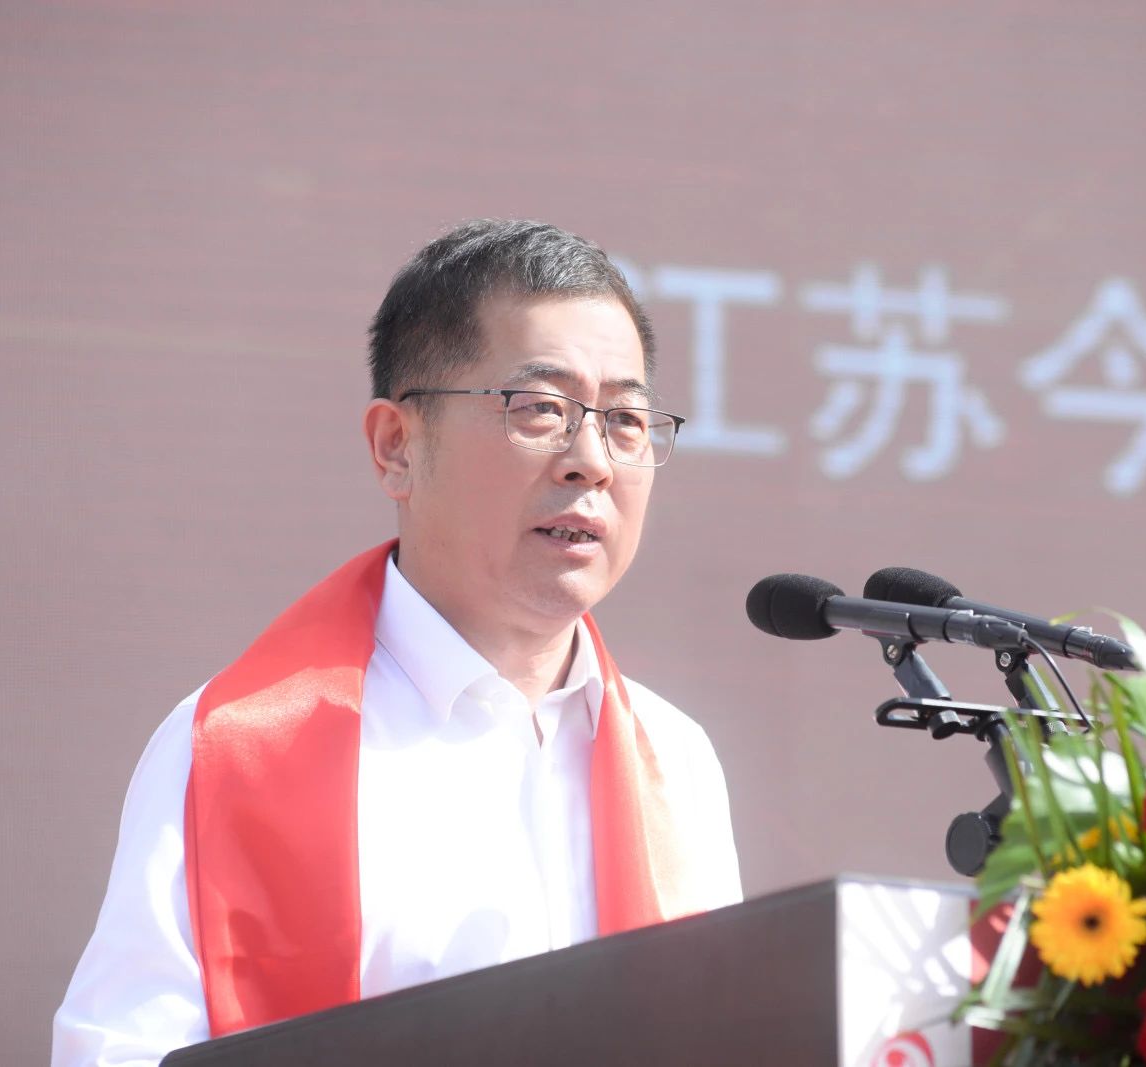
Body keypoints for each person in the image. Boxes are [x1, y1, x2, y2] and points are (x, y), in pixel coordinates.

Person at [52, 219, 742, 1065]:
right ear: (396, 446)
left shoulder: (675, 759)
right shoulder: (239, 748)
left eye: (626, 420)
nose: (591, 460)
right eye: (541, 409)